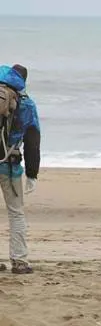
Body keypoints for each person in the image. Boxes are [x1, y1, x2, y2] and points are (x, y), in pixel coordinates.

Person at [0, 64, 41, 275]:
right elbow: (33, 142)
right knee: (16, 213)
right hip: (9, 165)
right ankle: (19, 261)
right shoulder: (26, 105)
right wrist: (32, 174)